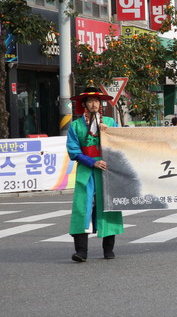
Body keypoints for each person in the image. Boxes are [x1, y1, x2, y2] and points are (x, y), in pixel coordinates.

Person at [67, 87, 124, 262]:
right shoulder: (75, 126)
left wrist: (110, 132)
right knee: (81, 208)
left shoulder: (110, 122)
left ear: (101, 104)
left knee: (108, 206)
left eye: (97, 101)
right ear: (84, 104)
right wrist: (93, 162)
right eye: (90, 101)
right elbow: (74, 151)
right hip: (86, 169)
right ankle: (81, 252)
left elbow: (121, 143)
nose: (94, 104)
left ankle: (108, 249)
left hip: (107, 169)